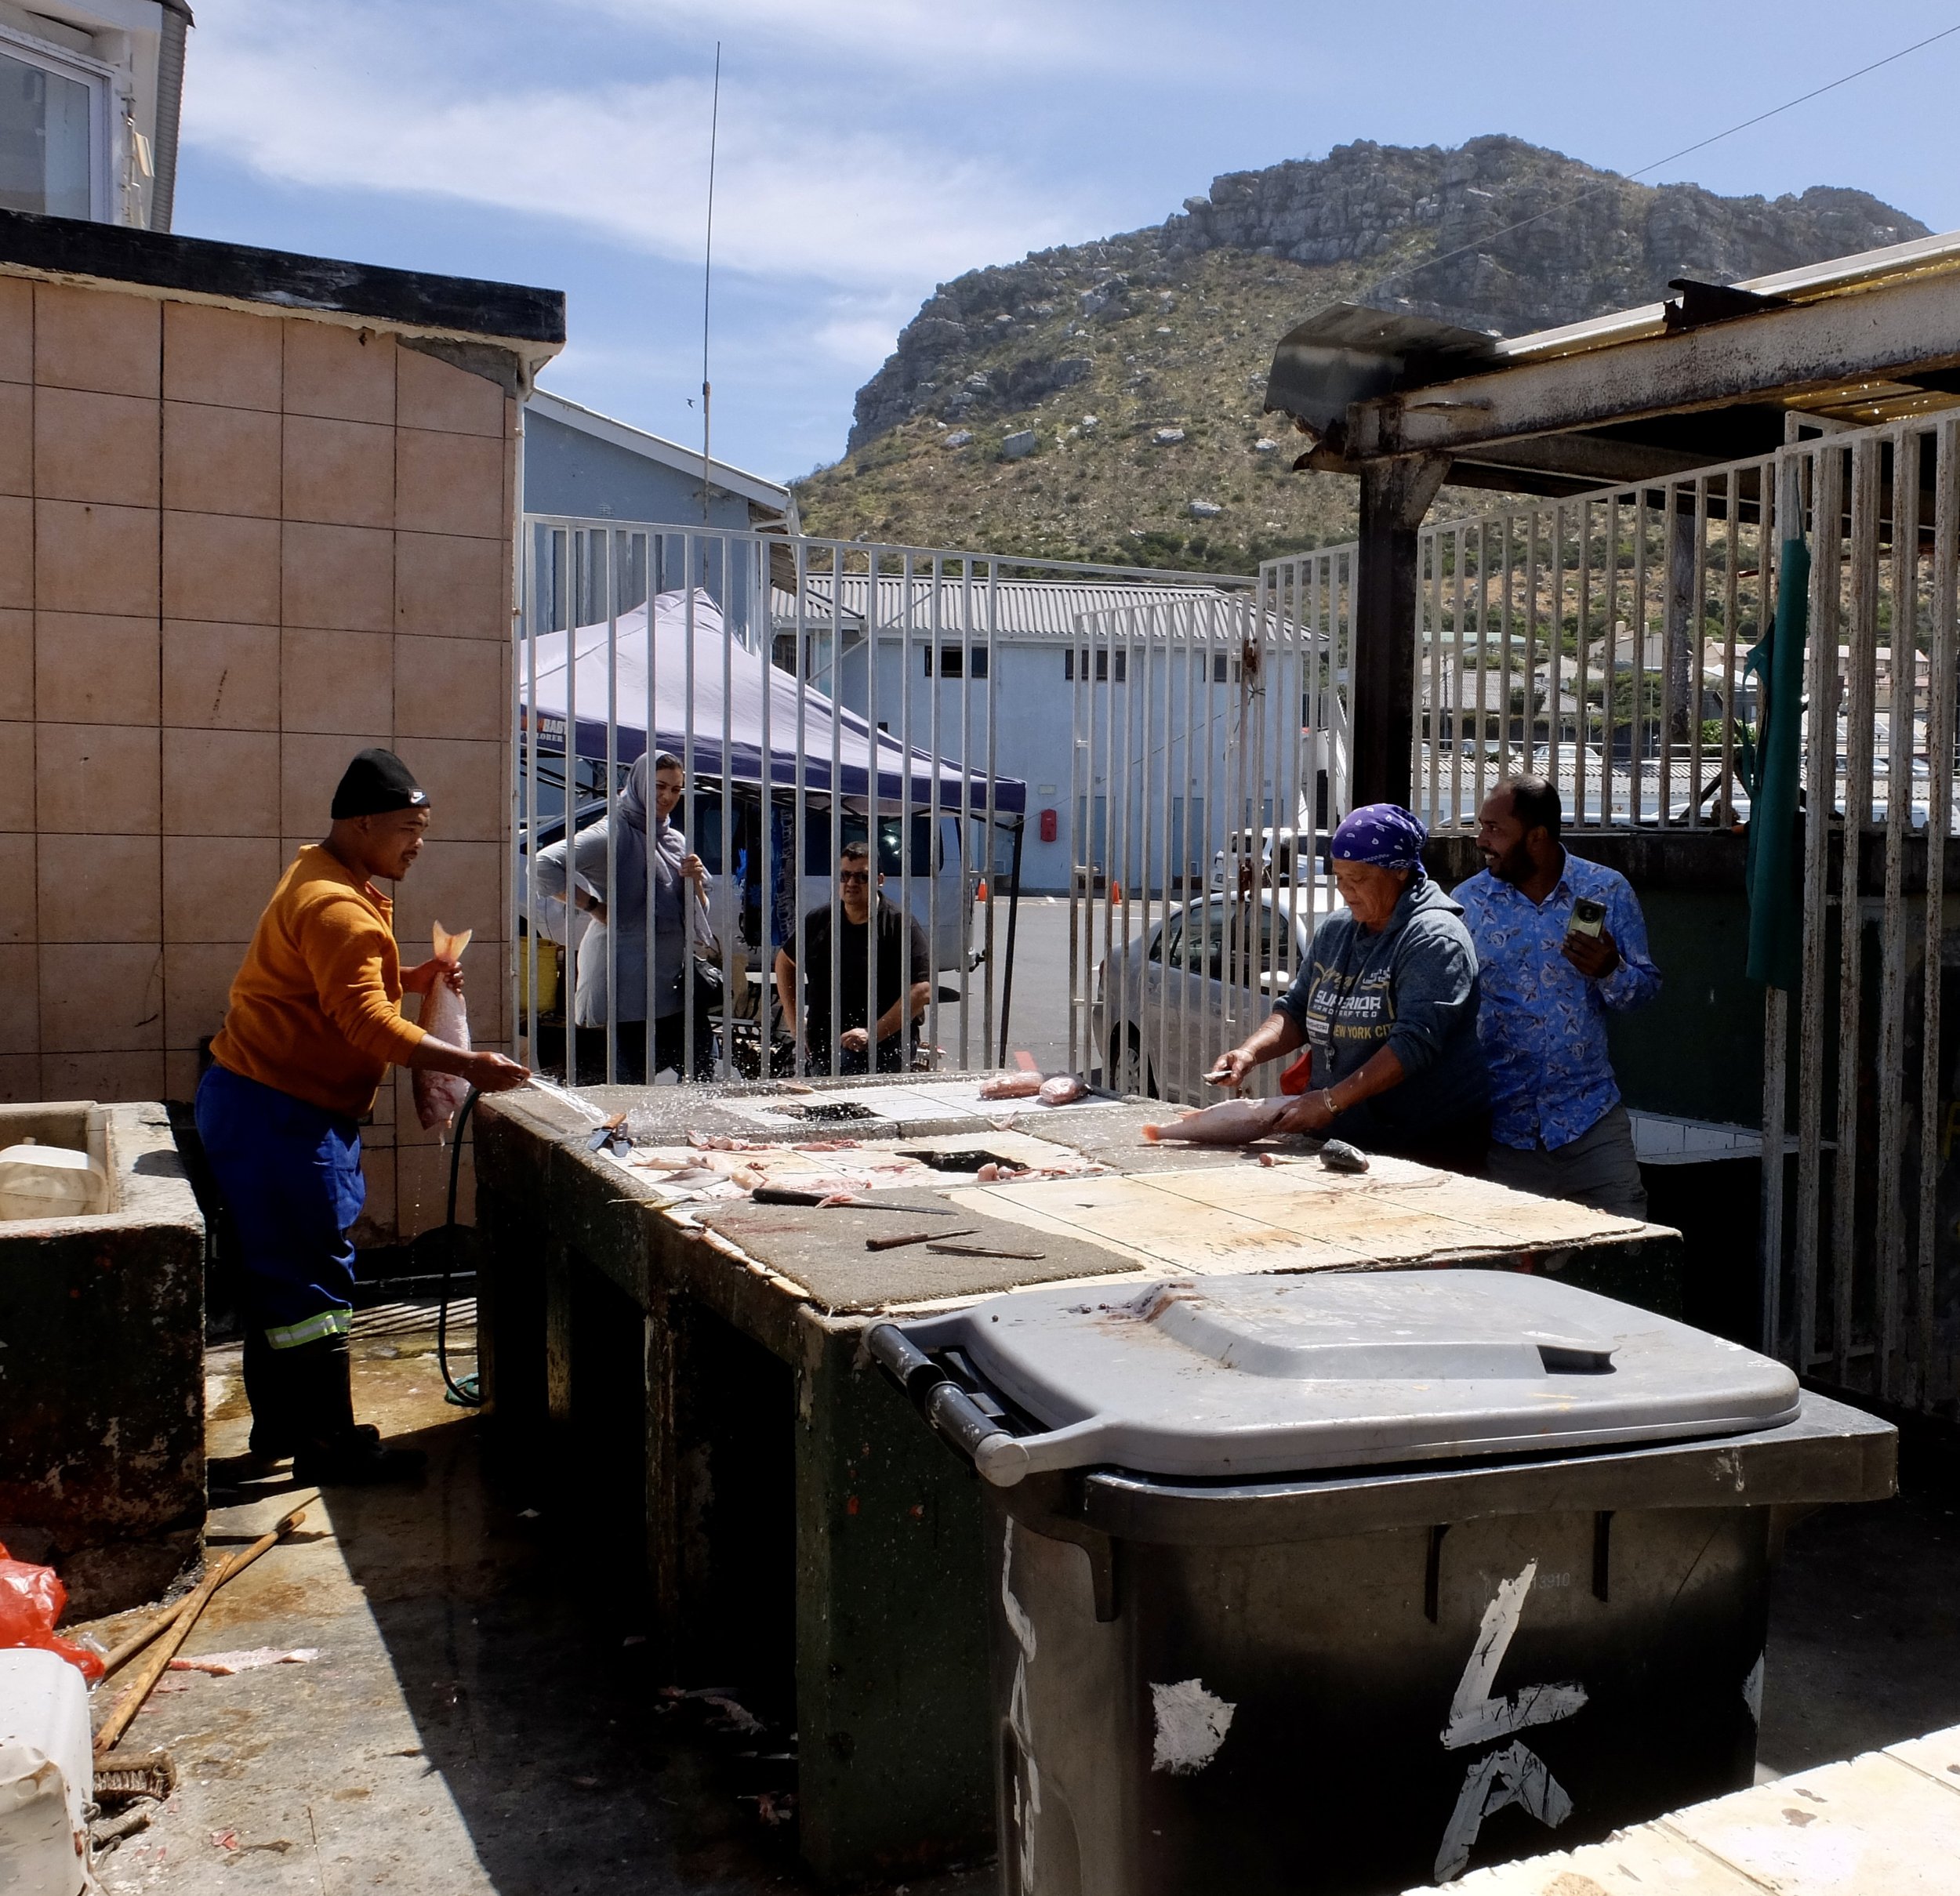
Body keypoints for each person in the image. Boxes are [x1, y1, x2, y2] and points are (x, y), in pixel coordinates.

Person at [195, 749, 529, 1485]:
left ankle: (289, 1428)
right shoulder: (337, 904)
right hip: (278, 1115)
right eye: (409, 828)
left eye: (425, 829)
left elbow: (336, 987)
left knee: (284, 1280)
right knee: (313, 1287)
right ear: (364, 822)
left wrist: (417, 977)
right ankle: (329, 1442)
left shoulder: (328, 877)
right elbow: (366, 1024)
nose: (418, 843)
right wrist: (468, 1063)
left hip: (271, 1104)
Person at [1206, 803, 1490, 1170]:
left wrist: (1330, 1102)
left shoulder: (1435, 938)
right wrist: (1249, 1053)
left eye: (1358, 879)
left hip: (1424, 1144)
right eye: (1339, 878)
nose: (1346, 891)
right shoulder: (1337, 930)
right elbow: (1296, 1010)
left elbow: (1414, 1044)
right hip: (1347, 1137)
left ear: (1400, 871)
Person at [1454, 776, 1661, 1217]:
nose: (1481, 840)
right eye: (1481, 826)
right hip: (1505, 1132)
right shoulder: (1467, 904)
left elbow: (1643, 993)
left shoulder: (1604, 891)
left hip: (1590, 1121)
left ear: (1537, 838)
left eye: (1495, 829)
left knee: (1628, 1252)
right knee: (1515, 1272)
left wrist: (1611, 970)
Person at [531, 751, 718, 1084]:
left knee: (702, 1070)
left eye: (676, 790)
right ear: (639, 784)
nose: (667, 797)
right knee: (630, 1084)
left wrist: (696, 882)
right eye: (659, 786)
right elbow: (544, 865)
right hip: (625, 982)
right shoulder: (613, 832)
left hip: (670, 982)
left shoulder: (672, 839)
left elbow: (692, 912)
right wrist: (593, 907)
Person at [774, 839, 931, 1074]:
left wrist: (872, 1033)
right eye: (844, 876)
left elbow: (921, 991)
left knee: (866, 1107)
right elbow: (785, 962)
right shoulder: (819, 920)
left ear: (879, 880)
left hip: (883, 1047)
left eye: (861, 877)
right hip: (824, 1044)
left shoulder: (898, 924)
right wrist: (795, 1023)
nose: (851, 883)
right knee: (822, 1106)